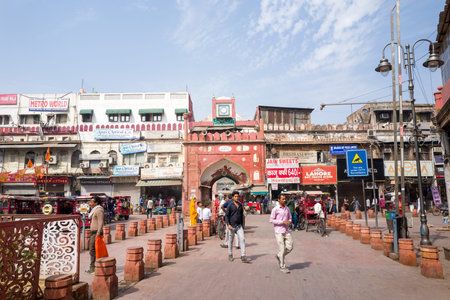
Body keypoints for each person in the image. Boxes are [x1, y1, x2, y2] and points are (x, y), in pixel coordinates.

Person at [269, 194, 292, 274]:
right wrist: (282, 222)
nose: (284, 200)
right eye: (282, 199)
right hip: (278, 231)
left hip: (286, 230)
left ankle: (279, 256)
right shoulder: (275, 209)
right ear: (279, 200)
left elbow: (290, 217)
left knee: (290, 247)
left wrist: (289, 221)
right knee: (282, 249)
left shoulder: (287, 209)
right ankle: (282, 266)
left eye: (285, 199)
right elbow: (271, 220)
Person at [225, 191, 250, 263]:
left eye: (237, 196)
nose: (236, 198)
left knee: (242, 239)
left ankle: (243, 256)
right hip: (231, 226)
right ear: (233, 197)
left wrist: (242, 225)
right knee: (231, 240)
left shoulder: (240, 205)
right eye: (235, 196)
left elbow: (242, 215)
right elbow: (226, 215)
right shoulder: (230, 205)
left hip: (239, 226)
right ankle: (230, 254)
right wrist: (228, 224)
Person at [86, 196, 104, 273]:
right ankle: (95, 266)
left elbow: (101, 222)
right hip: (93, 232)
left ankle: (93, 267)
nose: (90, 204)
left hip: (96, 232)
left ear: (96, 203)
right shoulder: (94, 210)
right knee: (93, 250)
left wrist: (98, 233)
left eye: (92, 202)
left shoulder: (99, 210)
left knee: (92, 250)